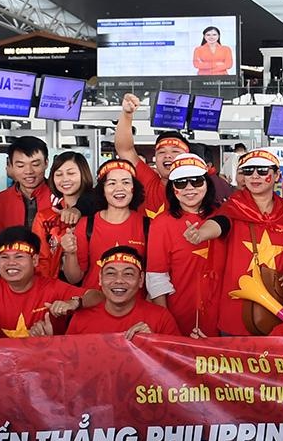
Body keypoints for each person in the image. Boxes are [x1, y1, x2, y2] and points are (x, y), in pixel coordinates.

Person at [191, 147, 283, 336]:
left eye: (262, 171)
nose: (255, 176)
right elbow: (220, 223)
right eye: (248, 171)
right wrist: (201, 234)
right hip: (236, 309)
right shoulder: (234, 207)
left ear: (277, 176)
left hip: (278, 305)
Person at [0, 228, 91, 342]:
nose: (11, 263)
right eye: (5, 257)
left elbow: (96, 296)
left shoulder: (51, 287)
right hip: (8, 367)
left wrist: (75, 302)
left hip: (51, 364)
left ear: (35, 261)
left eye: (19, 257)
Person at [146, 158, 223, 337]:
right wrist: (165, 322)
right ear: (173, 188)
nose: (189, 188)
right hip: (180, 312)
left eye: (196, 181)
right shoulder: (162, 223)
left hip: (222, 312)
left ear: (207, 184)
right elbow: (156, 277)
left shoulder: (223, 215)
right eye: (180, 182)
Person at [63, 158, 150, 287]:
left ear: (134, 188)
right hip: (94, 303)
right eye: (111, 183)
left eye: (126, 182)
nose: (119, 188)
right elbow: (74, 278)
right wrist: (70, 253)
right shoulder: (86, 224)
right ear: (102, 190)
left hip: (135, 304)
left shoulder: (148, 225)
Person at [114, 96, 198, 221]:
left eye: (175, 151)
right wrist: (127, 114)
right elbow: (125, 150)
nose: (168, 155)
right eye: (161, 152)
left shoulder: (200, 188)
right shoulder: (148, 181)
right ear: (155, 158)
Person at [67, 247, 182, 337]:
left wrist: (153, 342)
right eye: (111, 273)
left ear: (141, 279)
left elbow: (178, 363)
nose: (119, 280)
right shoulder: (81, 319)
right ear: (100, 279)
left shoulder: (161, 318)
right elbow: (66, 363)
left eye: (128, 274)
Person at [0, 136, 54, 276]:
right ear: (10, 166)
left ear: (46, 163)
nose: (29, 171)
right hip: (11, 279)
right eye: (20, 165)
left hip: (55, 279)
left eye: (36, 164)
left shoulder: (61, 198)